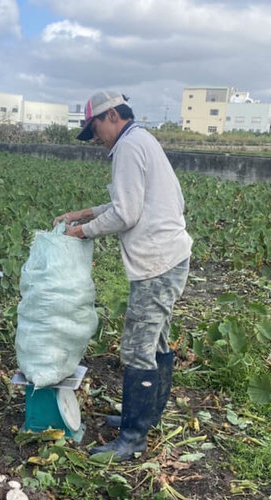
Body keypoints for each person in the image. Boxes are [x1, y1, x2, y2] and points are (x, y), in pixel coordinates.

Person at [53, 90, 192, 461]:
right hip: (169, 258)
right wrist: (84, 213)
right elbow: (130, 203)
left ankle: (132, 439)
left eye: (94, 128)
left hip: (157, 264)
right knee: (156, 342)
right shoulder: (141, 140)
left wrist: (80, 232)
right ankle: (147, 417)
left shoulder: (129, 148)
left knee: (136, 348)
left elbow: (126, 214)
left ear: (112, 115)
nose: (94, 138)